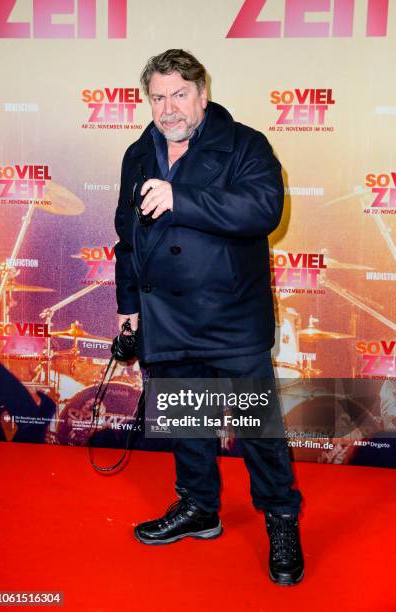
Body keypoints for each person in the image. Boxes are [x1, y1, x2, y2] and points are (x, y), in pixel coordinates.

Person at [114, 49, 304, 585]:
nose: (168, 107)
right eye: (158, 96)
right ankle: (199, 507)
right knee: (185, 422)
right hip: (165, 316)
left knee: (257, 429)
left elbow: (261, 210)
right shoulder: (137, 152)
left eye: (179, 94)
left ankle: (281, 518)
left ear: (202, 94)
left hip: (231, 318)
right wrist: (128, 307)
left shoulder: (246, 144)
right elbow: (126, 237)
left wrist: (181, 197)